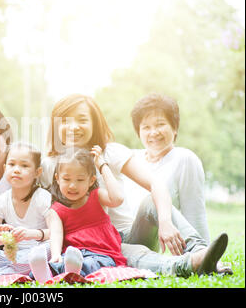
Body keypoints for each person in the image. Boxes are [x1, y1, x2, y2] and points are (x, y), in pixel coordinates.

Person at [39, 93, 228, 277]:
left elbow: (155, 183)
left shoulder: (110, 152)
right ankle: (194, 263)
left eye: (82, 120)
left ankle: (204, 252)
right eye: (65, 121)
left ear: (94, 123)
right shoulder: (49, 165)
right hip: (91, 246)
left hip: (130, 233)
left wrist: (164, 221)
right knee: (135, 255)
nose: (73, 127)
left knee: (149, 202)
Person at [29, 147, 126, 282]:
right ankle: (47, 274)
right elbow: (56, 233)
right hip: (72, 254)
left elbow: (118, 198)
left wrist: (103, 166)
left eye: (80, 180)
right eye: (67, 179)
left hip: (101, 254)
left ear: (91, 180)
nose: (72, 186)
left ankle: (71, 272)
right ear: (57, 179)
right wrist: (56, 255)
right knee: (58, 264)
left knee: (91, 265)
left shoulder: (97, 196)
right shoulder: (56, 209)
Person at [0, 142, 62, 279]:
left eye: (24, 166)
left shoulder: (43, 198)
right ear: (5, 168)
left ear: (38, 172)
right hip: (13, 256)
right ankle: (21, 270)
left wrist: (33, 234)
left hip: (36, 250)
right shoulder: (2, 201)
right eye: (12, 165)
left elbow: (56, 231)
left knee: (44, 251)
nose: (17, 170)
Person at [128, 93, 210, 242]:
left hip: (142, 242)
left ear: (175, 128)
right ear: (138, 132)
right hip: (117, 239)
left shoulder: (184, 159)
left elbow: (195, 214)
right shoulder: (131, 159)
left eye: (160, 124)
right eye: (146, 127)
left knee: (152, 200)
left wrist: (203, 253)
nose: (153, 132)